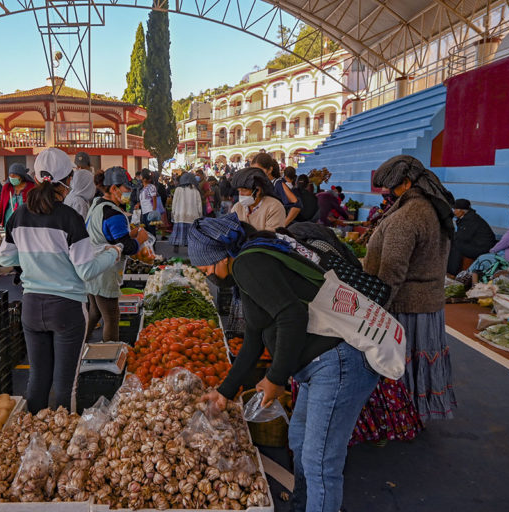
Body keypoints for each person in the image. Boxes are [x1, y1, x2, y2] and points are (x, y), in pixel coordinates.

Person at [189, 214, 378, 512]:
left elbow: (292, 316)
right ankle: (303, 505)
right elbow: (254, 335)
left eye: (204, 264)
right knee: (300, 440)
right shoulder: (250, 260)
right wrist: (225, 391)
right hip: (319, 365)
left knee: (320, 464)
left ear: (222, 255)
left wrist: (275, 379)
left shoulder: (249, 263)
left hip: (338, 361)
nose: (203, 271)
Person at [0, 148, 121, 413]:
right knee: (66, 385)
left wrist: (34, 258)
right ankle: (63, 443)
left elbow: (5, 259)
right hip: (66, 309)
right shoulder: (70, 218)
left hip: (31, 307)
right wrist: (114, 252)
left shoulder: (18, 216)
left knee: (38, 380)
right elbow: (86, 270)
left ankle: (32, 437)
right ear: (67, 181)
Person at [365, 155, 457, 422]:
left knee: (402, 365)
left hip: (406, 306)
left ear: (405, 183)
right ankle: (416, 415)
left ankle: (400, 419)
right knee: (419, 366)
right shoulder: (432, 209)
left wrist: (377, 306)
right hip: (428, 304)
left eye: (392, 189)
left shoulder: (408, 216)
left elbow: (393, 270)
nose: (390, 195)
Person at [84, 168, 148, 342]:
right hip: (105, 270)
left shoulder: (97, 204)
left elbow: (112, 237)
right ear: (113, 189)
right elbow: (126, 247)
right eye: (127, 189)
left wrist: (130, 234)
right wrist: (140, 240)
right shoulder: (114, 214)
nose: (130, 193)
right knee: (112, 317)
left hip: (91, 267)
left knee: (95, 312)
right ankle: (109, 356)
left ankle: (80, 347)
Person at [447, 198, 497, 275]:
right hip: (477, 244)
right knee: (455, 243)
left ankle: (451, 273)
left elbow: (463, 237)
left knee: (456, 246)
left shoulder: (471, 220)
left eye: (455, 209)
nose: (454, 212)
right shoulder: (467, 217)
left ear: (462, 211)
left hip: (483, 248)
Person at [230, 167, 286, 231]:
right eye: (239, 191)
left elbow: (271, 237)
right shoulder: (237, 208)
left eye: (244, 190)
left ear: (258, 191)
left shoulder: (274, 207)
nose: (240, 194)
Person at [0, 163, 36, 235]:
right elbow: (2, 206)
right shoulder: (6, 187)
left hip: (25, 224)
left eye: (14, 175)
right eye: (10, 175)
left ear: (21, 176)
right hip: (9, 223)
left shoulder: (31, 187)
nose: (12, 178)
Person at [170, 172, 202, 250]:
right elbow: (199, 205)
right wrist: (200, 215)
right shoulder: (195, 191)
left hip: (179, 215)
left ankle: (176, 246)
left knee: (177, 232)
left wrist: (173, 212)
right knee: (190, 234)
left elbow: (174, 202)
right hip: (192, 216)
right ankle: (189, 248)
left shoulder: (178, 189)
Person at [137, 168, 159, 237]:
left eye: (141, 176)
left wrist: (154, 212)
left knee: (151, 231)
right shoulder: (143, 188)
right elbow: (144, 200)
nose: (139, 177)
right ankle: (149, 246)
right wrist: (138, 204)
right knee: (146, 231)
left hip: (150, 212)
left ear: (145, 179)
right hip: (144, 213)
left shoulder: (151, 187)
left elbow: (154, 200)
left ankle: (152, 246)